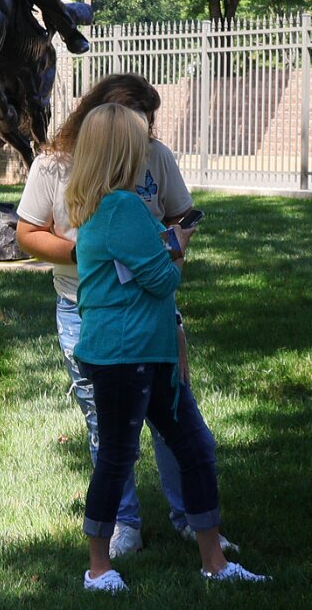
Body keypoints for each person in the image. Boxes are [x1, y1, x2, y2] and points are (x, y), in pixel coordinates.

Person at [63, 102, 264, 592]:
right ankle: (98, 570)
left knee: (190, 447)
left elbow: (140, 265)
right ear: (123, 151)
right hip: (126, 356)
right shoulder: (122, 206)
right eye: (141, 143)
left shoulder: (100, 205)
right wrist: (178, 247)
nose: (148, 150)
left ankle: (215, 563)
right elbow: (161, 279)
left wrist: (164, 246)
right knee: (120, 456)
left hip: (143, 353)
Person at [15, 74, 215, 562]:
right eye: (137, 125)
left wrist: (144, 249)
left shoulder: (147, 166)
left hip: (144, 318)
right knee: (121, 434)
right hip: (96, 314)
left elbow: (178, 215)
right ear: (107, 128)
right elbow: (28, 232)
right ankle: (123, 533)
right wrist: (107, 255)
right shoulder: (64, 171)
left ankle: (175, 527)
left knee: (155, 433)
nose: (148, 136)